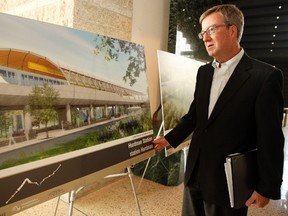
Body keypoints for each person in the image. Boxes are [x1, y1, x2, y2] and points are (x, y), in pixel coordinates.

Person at [153, 4, 284, 216]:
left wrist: (266, 186)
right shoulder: (204, 72)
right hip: (194, 175)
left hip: (228, 183)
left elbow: (271, 139)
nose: (205, 38)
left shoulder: (264, 76)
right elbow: (196, 116)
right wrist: (170, 138)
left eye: (212, 30)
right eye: (203, 32)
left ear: (233, 30)